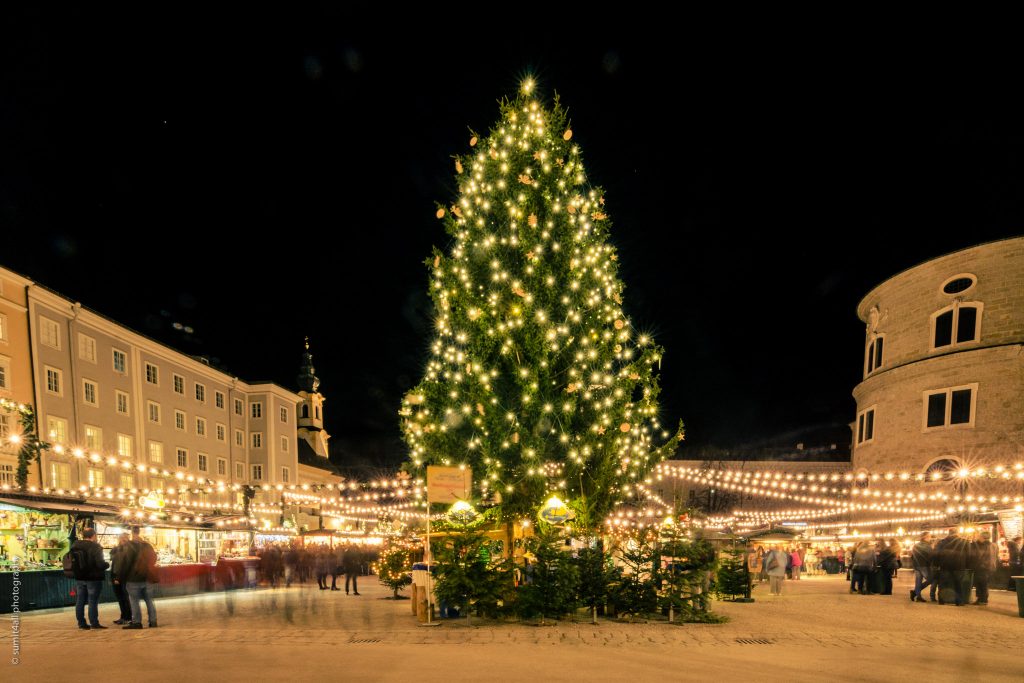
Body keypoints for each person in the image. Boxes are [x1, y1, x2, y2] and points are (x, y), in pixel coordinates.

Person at [70, 527, 110, 630]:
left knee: (80, 600)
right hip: (93, 578)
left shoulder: (75, 545)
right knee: (92, 601)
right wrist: (107, 564)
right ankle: (94, 623)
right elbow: (100, 564)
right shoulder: (96, 547)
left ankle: (81, 623)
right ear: (93, 535)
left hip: (79, 577)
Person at [122, 526, 159, 629]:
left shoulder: (128, 546)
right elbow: (154, 558)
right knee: (149, 600)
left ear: (131, 533)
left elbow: (125, 563)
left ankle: (137, 622)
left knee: (134, 601)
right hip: (147, 577)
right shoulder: (147, 545)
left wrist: (122, 577)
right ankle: (153, 621)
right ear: (140, 532)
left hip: (133, 579)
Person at [109, 532, 134, 624]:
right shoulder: (116, 549)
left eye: (125, 538)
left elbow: (121, 566)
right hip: (116, 576)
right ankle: (124, 616)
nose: (123, 540)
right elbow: (114, 563)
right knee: (121, 598)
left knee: (125, 598)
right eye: (121, 538)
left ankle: (128, 617)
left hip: (124, 577)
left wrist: (117, 578)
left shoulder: (129, 549)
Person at [971, 531, 998, 606]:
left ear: (983, 537)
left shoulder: (983, 545)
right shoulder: (994, 545)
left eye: (979, 536)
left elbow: (979, 556)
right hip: (991, 567)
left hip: (982, 567)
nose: (978, 538)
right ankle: (983, 599)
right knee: (985, 583)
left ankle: (982, 599)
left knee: (981, 584)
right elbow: (996, 556)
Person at [910, 532, 933, 603]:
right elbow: (930, 557)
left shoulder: (916, 545)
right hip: (924, 565)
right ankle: (915, 592)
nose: (930, 538)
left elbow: (912, 556)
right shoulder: (928, 546)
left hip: (916, 565)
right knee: (930, 580)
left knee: (918, 581)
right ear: (925, 537)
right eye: (929, 536)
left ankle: (918, 595)